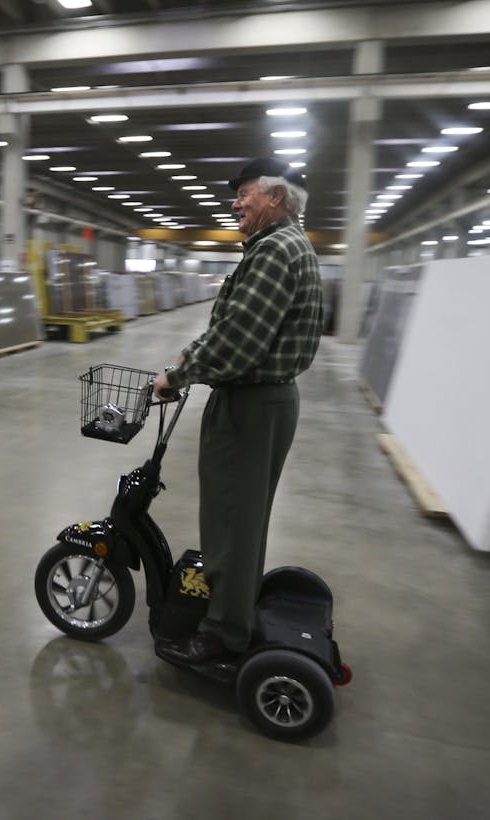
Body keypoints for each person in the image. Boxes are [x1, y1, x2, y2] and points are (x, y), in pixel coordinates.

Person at [152, 158, 324, 664]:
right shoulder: (281, 246)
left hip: (251, 405)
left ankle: (224, 632)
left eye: (244, 192)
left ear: (274, 197)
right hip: (262, 401)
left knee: (230, 523)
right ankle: (235, 609)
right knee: (243, 521)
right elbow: (233, 324)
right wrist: (189, 353)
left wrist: (176, 377)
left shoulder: (275, 251)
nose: (235, 202)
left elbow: (239, 342)